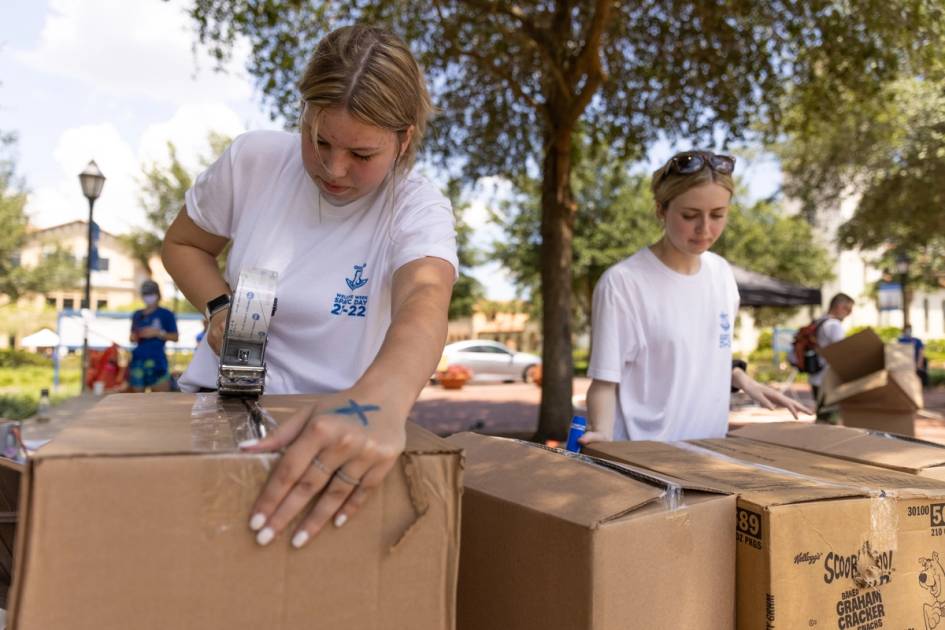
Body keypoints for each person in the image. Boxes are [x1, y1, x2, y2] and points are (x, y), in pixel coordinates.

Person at [161, 25, 457, 550]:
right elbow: (184, 245)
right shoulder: (253, 161)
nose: (333, 168)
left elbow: (425, 300)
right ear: (302, 112)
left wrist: (381, 404)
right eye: (318, 140)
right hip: (217, 409)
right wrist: (220, 306)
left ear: (404, 139)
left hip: (332, 435)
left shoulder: (417, 207)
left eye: (362, 155)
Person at [580, 150, 812, 444]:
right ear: (661, 210)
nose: (705, 229)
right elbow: (604, 381)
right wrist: (601, 434)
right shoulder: (623, 283)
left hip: (708, 457)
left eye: (718, 215)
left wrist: (741, 378)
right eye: (690, 216)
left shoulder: (722, 273)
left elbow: (704, 352)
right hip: (642, 459)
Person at [808, 293, 854, 423]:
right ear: (839, 307)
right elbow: (842, 352)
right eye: (848, 309)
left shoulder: (819, 321)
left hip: (816, 377)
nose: (849, 314)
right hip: (828, 380)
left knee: (822, 417)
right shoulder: (834, 325)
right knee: (829, 420)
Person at [128, 279, 179, 393]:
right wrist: (136, 336)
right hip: (138, 361)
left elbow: (175, 337)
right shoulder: (137, 314)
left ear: (158, 295)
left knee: (160, 401)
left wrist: (157, 333)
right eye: (146, 294)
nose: (148, 297)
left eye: (151, 293)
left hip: (158, 362)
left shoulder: (166, 314)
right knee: (137, 402)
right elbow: (131, 337)